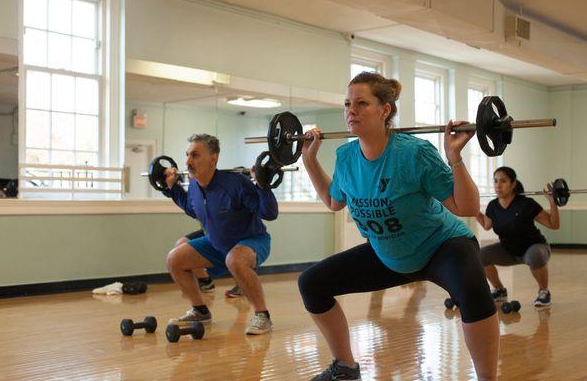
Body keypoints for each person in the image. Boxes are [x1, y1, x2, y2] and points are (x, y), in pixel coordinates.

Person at [297, 72, 499, 380]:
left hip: (441, 246)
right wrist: (309, 160)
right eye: (348, 103)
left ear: (385, 110)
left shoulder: (414, 153)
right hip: (388, 253)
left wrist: (454, 156)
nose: (351, 111)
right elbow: (333, 201)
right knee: (312, 283)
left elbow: (466, 208)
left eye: (362, 103)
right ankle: (346, 367)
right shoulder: (347, 157)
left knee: (474, 293)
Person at [164, 134, 278, 335]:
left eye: (195, 155)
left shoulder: (236, 183)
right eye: (187, 155)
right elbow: (193, 209)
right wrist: (174, 189)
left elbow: (269, 213)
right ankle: (200, 311)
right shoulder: (194, 185)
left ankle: (262, 316)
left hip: (252, 240)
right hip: (217, 244)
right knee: (174, 259)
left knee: (235, 259)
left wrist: (263, 185)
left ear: (213, 159)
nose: (188, 161)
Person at [475, 167, 559, 307]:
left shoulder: (526, 204)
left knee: (534, 255)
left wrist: (552, 202)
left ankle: (544, 292)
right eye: (495, 181)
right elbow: (486, 224)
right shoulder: (493, 206)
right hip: (509, 251)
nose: (498, 185)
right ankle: (500, 290)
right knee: (481, 255)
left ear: (513, 184)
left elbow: (553, 224)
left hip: (534, 248)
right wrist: (471, 208)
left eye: (503, 181)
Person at [181, 228, 244, 298]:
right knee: (181, 243)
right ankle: (206, 282)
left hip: (227, 227)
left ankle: (242, 284)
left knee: (228, 247)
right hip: (209, 228)